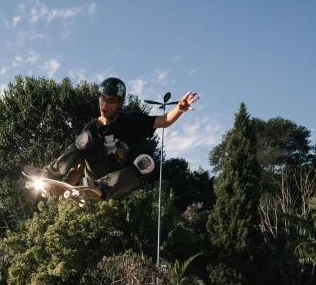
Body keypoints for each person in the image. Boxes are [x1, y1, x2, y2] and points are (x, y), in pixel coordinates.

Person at [33, 77, 199, 200]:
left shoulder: (132, 120)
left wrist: (179, 109)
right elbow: (79, 165)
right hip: (95, 172)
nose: (104, 106)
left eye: (110, 101)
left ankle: (99, 189)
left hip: (119, 181)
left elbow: (164, 120)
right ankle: (50, 173)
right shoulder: (92, 126)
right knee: (86, 139)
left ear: (119, 104)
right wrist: (65, 188)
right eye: (102, 99)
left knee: (147, 162)